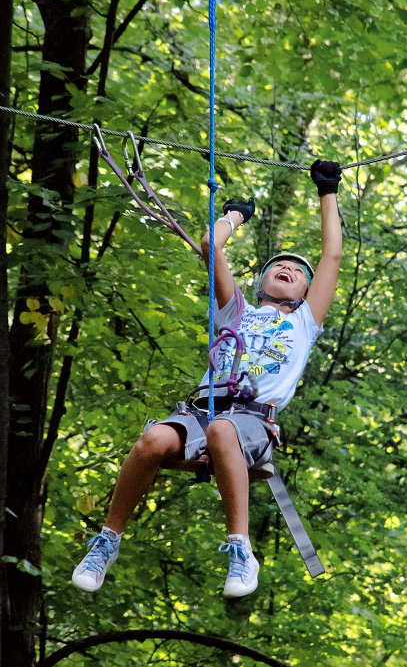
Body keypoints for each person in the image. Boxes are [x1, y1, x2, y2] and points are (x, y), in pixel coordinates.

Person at [71, 160, 342, 598]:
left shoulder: (305, 322)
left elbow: (332, 255)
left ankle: (241, 549)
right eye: (279, 267)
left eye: (298, 271)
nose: (289, 269)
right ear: (261, 283)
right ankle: (107, 541)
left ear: (308, 292)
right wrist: (233, 216)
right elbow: (208, 245)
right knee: (152, 442)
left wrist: (327, 191)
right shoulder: (237, 312)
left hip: (252, 420)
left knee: (223, 429)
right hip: (203, 409)